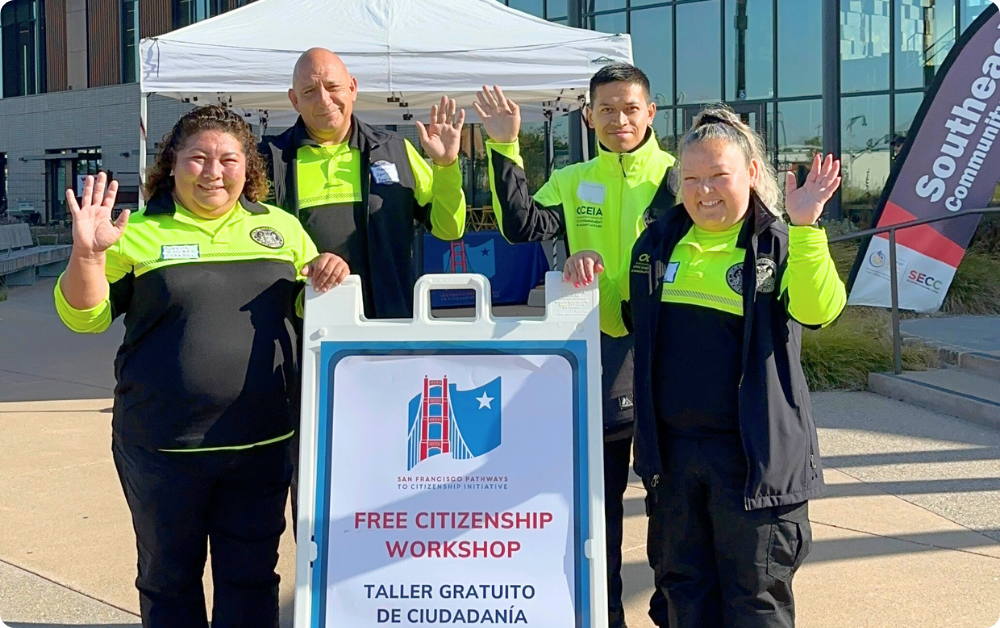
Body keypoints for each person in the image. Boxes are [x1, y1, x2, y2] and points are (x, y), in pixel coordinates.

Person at [54, 105, 345, 628]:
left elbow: (312, 310)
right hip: (163, 449)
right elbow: (85, 318)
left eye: (228, 159)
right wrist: (90, 259)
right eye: (199, 158)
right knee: (169, 580)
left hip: (259, 445)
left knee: (252, 580)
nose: (214, 171)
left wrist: (330, 270)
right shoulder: (134, 230)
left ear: (247, 167)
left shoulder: (280, 227)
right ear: (172, 164)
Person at [566, 105, 847, 628]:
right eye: (691, 179)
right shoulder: (658, 245)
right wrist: (587, 274)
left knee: (755, 603)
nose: (704, 191)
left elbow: (819, 309)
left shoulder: (775, 245)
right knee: (682, 597)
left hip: (755, 465)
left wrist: (806, 228)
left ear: (751, 175)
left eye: (720, 176)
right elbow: (621, 316)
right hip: (673, 465)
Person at [474, 63, 679, 628]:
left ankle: (673, 611)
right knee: (599, 504)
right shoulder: (572, 178)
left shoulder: (678, 175)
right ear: (588, 115)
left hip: (670, 355)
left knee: (673, 502)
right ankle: (604, 614)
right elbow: (520, 225)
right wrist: (504, 145)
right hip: (596, 357)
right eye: (607, 109)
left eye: (630, 108)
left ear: (650, 113)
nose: (620, 119)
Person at [261, 47, 467, 319]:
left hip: (391, 328)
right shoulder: (267, 161)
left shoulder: (396, 150)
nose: (324, 100)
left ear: (353, 88)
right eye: (310, 91)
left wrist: (446, 167)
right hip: (304, 333)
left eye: (333, 86)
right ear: (294, 100)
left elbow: (449, 229)